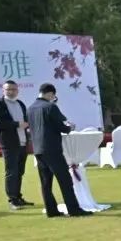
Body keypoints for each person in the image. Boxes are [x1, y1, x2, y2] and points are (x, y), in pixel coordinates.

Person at [27, 83, 92, 218]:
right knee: (65, 180)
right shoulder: (50, 106)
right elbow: (61, 126)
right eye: (53, 96)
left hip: (38, 149)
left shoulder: (31, 108)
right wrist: (70, 128)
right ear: (50, 94)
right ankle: (74, 209)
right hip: (52, 149)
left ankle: (51, 210)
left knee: (46, 182)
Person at [0, 80, 34, 210]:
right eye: (8, 89)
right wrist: (17, 124)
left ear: (17, 90)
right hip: (9, 143)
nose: (11, 91)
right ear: (3, 91)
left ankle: (18, 197)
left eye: (14, 89)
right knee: (11, 172)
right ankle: (12, 200)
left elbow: (26, 120)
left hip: (22, 142)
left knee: (20, 171)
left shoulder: (20, 103)